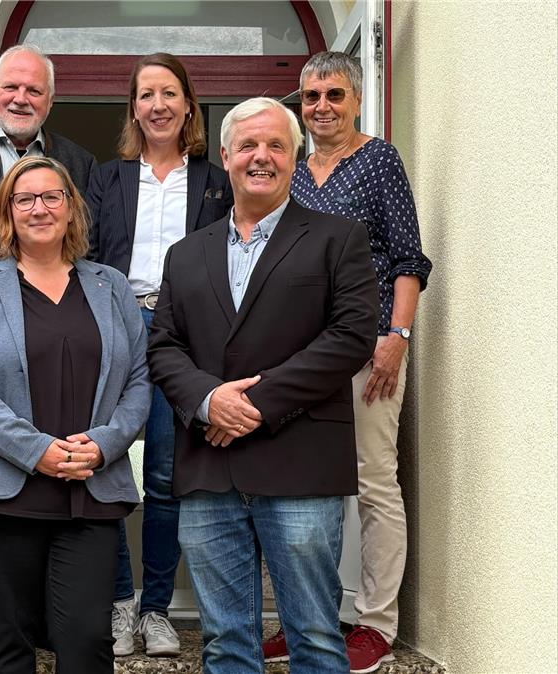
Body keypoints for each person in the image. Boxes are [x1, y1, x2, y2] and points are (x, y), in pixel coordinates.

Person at [147, 97, 379, 674]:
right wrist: (208, 401)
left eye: (277, 145)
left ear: (295, 157)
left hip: (300, 463)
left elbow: (351, 337)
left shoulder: (338, 238)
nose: (262, 156)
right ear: (224, 156)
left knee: (316, 639)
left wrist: (250, 403)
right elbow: (163, 347)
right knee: (225, 645)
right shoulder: (184, 254)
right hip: (209, 467)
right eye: (248, 145)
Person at [0, 156, 151, 674]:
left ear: (72, 208)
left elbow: (139, 380)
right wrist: (37, 452)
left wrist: (103, 445)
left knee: (87, 642)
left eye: (52, 196)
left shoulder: (111, 286)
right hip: (2, 494)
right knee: (5, 645)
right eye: (24, 199)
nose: (39, 208)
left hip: (88, 491)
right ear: (7, 212)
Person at [261, 52, 432, 674]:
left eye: (334, 94)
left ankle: (377, 623)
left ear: (356, 100)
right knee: (299, 486)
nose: (322, 107)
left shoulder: (378, 160)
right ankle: (305, 617)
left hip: (369, 351)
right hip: (300, 358)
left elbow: (409, 259)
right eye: (311, 96)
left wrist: (397, 337)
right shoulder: (291, 171)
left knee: (372, 482)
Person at [86, 51, 232, 658]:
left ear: (188, 106)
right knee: (110, 468)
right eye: (146, 95)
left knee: (169, 477)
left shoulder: (215, 179)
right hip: (119, 325)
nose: (158, 105)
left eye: (169, 93)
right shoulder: (107, 177)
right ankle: (121, 605)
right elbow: (85, 252)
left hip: (184, 332)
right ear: (134, 108)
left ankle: (156, 612)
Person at [0, 43, 96, 228]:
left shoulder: (80, 164)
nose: (20, 99)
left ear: (50, 101)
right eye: (10, 87)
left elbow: (85, 238)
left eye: (34, 91)